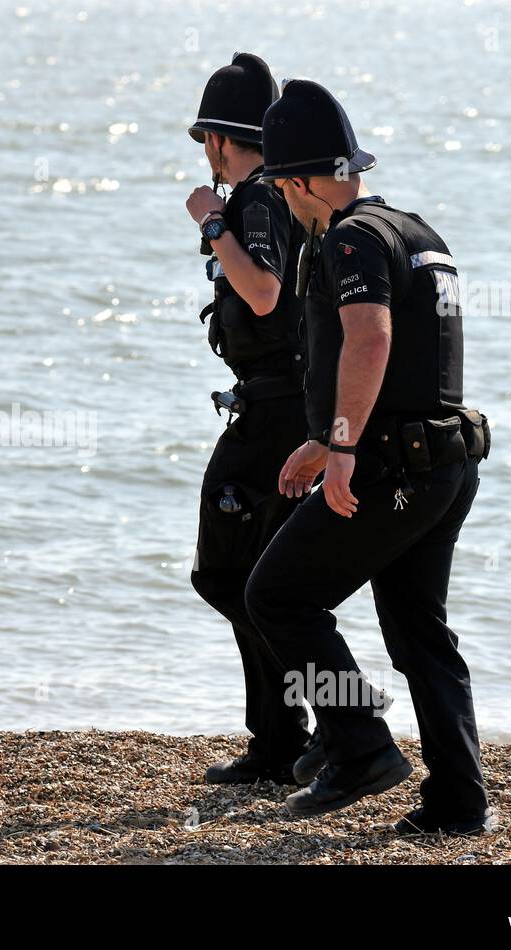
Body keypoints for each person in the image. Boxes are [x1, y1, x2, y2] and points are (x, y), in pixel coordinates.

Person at [245, 79, 494, 834]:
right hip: (446, 460)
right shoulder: (417, 232)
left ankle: (359, 744)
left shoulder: (350, 237)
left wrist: (345, 444)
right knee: (421, 631)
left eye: (282, 187)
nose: (284, 201)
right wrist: (325, 437)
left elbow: (373, 336)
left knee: (278, 597)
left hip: (389, 463)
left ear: (296, 182)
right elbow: (416, 360)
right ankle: (458, 801)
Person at [184, 53, 314, 784]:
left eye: (208, 138)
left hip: (276, 408)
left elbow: (262, 294)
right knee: (257, 576)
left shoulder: (256, 197)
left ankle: (301, 729)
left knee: (228, 575)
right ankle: (287, 735)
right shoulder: (281, 194)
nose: (209, 157)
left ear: (220, 140)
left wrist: (211, 223)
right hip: (283, 404)